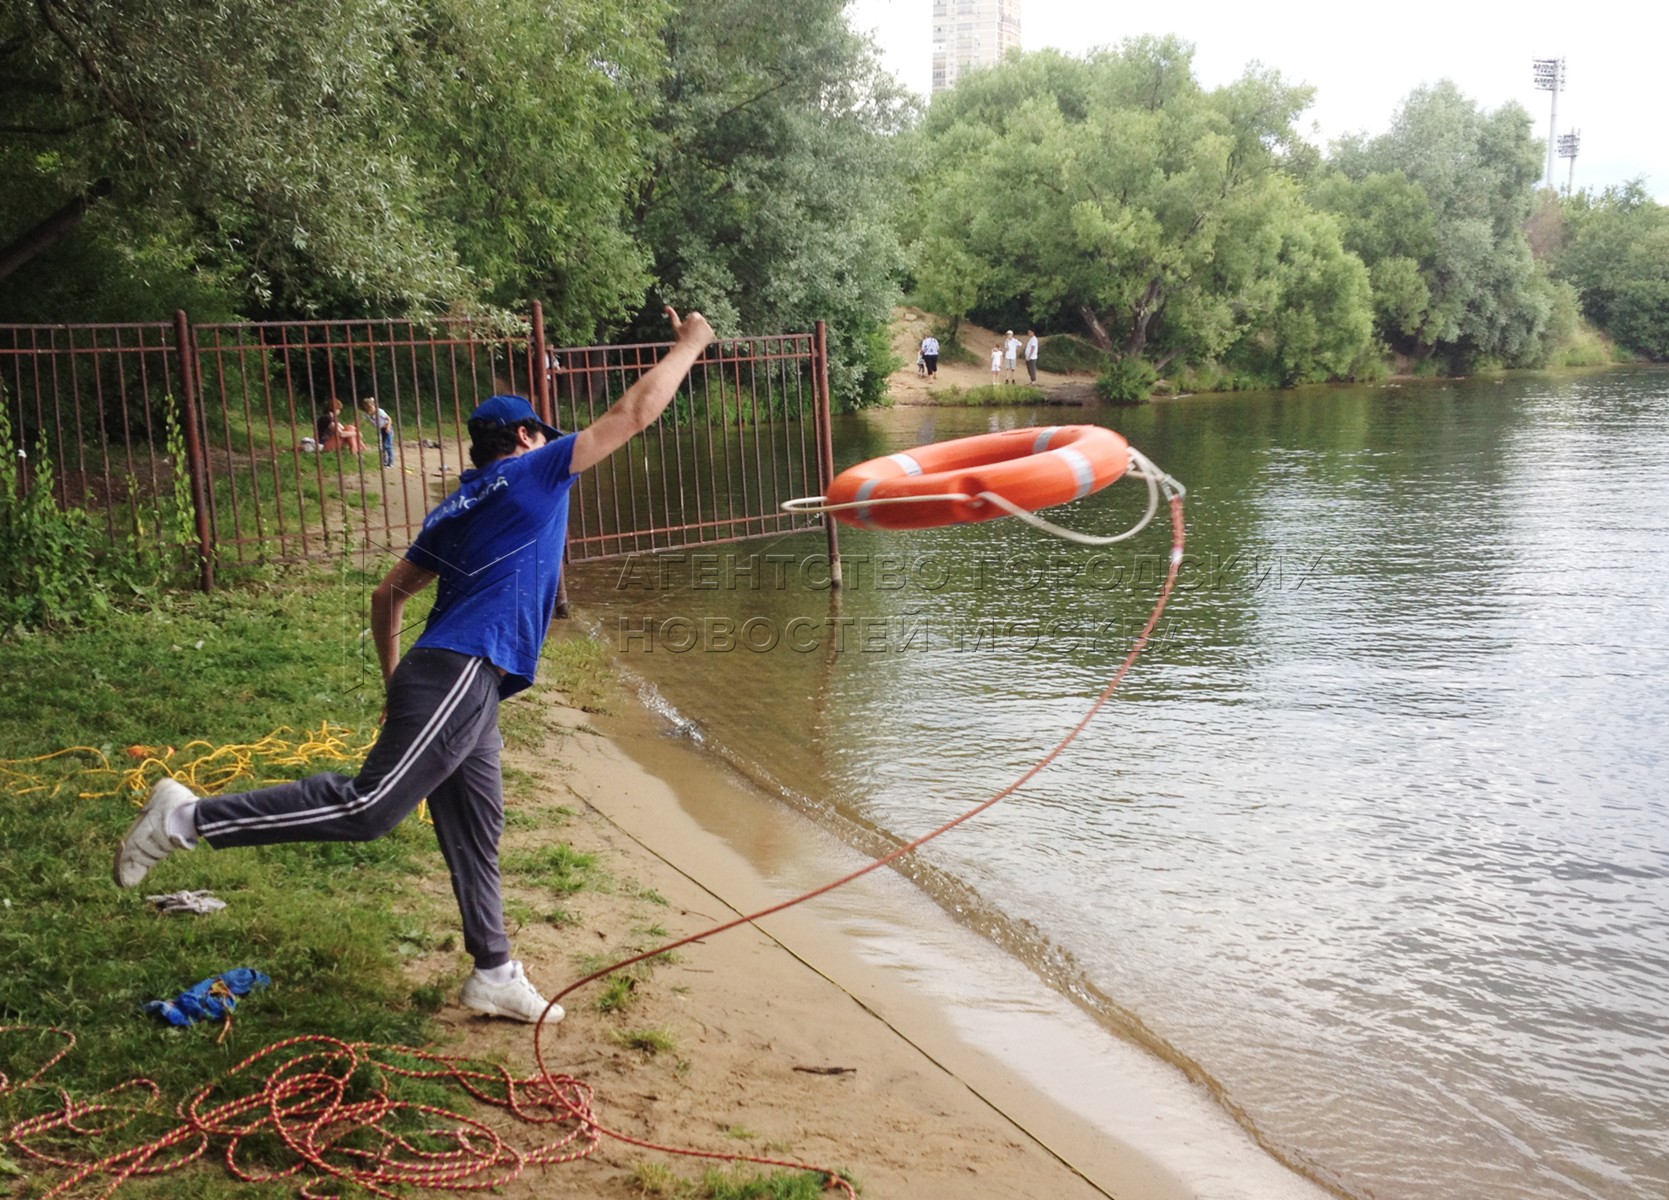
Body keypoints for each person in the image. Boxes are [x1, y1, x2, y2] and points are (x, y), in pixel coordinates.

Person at [115, 307, 717, 1025]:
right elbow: (635, 410)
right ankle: (186, 819)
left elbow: (388, 595)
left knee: (473, 824)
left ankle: (493, 970)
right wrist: (691, 345)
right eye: (543, 436)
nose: (558, 450)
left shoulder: (460, 502)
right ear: (524, 439)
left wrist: (394, 679)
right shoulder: (535, 471)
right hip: (467, 664)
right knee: (370, 808)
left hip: (455, 675)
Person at [361, 396, 394, 468]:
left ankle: (390, 462)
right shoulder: (368, 414)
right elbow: (360, 420)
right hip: (381, 430)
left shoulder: (379, 411)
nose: (371, 410)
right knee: (382, 446)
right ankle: (384, 462)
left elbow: (389, 418)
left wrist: (388, 427)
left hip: (388, 429)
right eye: (369, 409)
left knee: (388, 445)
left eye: (372, 407)